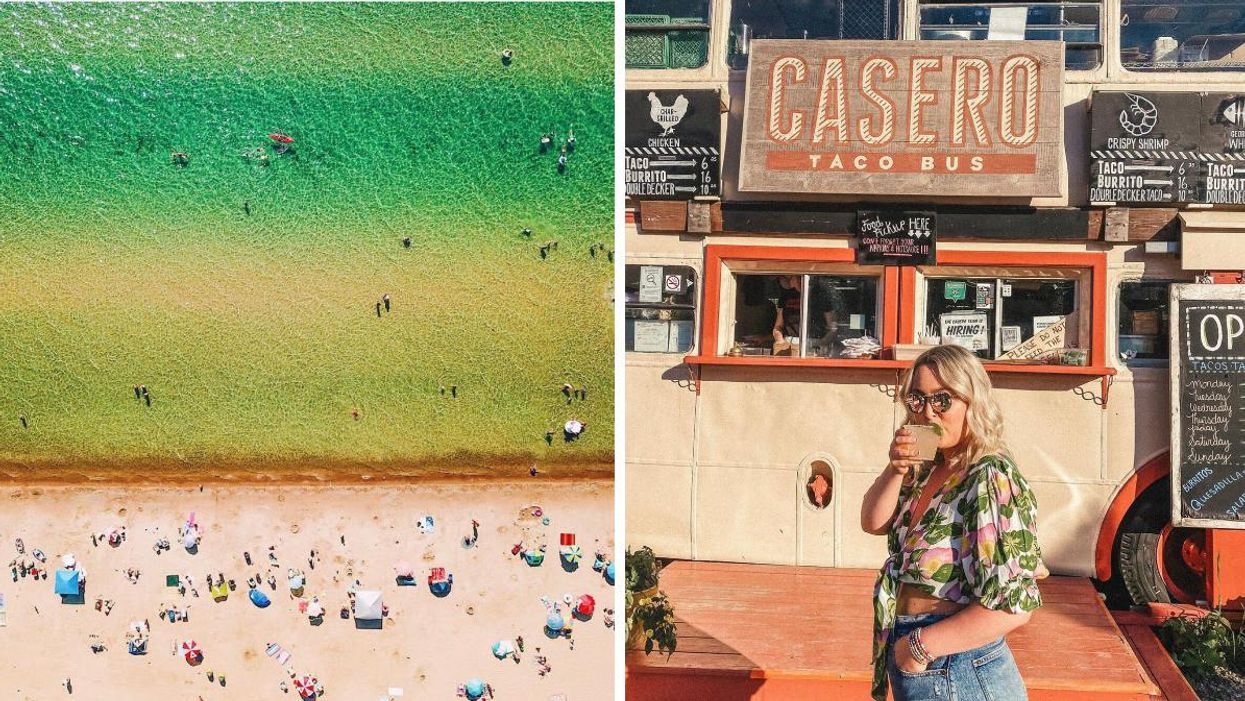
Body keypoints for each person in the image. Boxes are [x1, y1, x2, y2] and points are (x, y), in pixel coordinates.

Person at [861, 344, 1045, 701]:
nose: (928, 412)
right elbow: (872, 521)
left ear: (971, 401)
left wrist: (917, 648)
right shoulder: (931, 469)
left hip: (958, 668)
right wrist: (895, 468)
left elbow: (1014, 604)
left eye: (941, 400)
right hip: (929, 661)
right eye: (917, 400)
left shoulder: (990, 475)